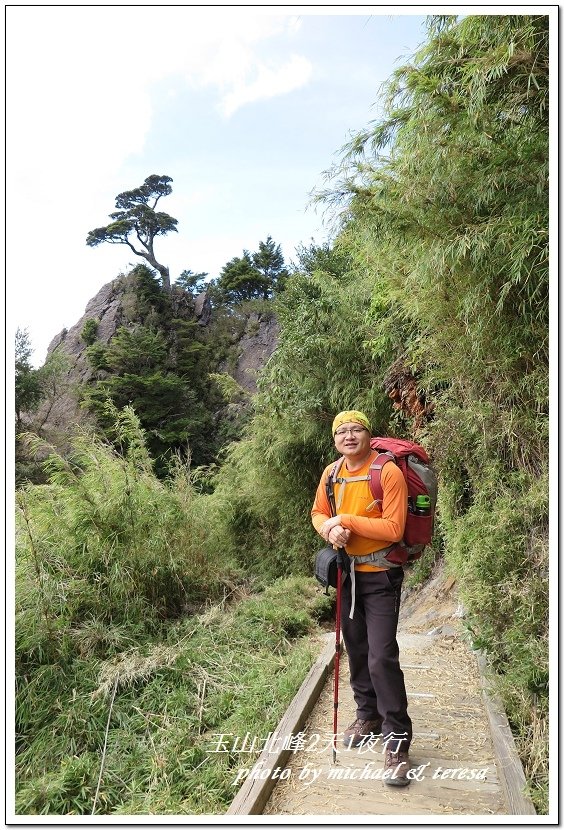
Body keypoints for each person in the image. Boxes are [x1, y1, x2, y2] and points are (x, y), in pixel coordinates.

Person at [311, 410, 413, 786]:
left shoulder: (387, 472)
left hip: (382, 575)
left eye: (356, 429)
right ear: (335, 439)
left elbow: (393, 528)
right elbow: (319, 512)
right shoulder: (331, 473)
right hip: (347, 575)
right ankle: (367, 715)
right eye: (342, 431)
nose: (349, 436)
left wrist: (347, 522)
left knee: (381, 654)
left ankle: (397, 741)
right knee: (355, 648)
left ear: (369, 435)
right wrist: (329, 530)